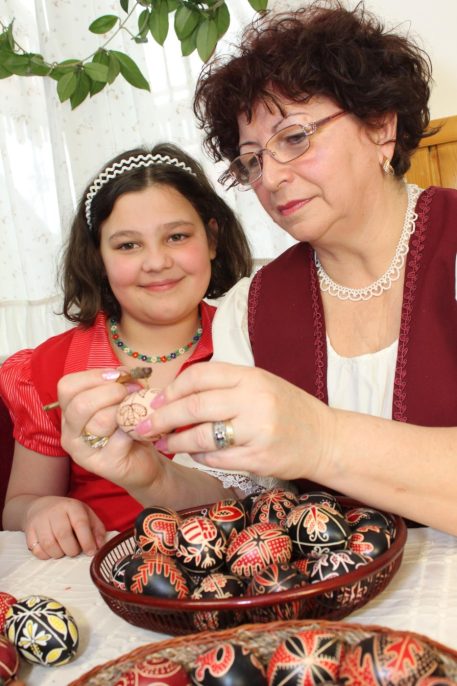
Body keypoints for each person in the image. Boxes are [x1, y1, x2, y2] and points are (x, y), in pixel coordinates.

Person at [71, 2, 456, 534]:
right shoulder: (250, 307)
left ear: (380, 128)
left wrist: (321, 439)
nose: (270, 179)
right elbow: (245, 500)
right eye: (252, 160)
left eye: (295, 138)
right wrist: (153, 477)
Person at [0, 142, 263, 559]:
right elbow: (20, 502)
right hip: (98, 573)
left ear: (212, 238)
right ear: (98, 257)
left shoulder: (257, 342)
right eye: (127, 245)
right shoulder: (48, 369)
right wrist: (39, 508)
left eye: (177, 236)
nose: (156, 262)